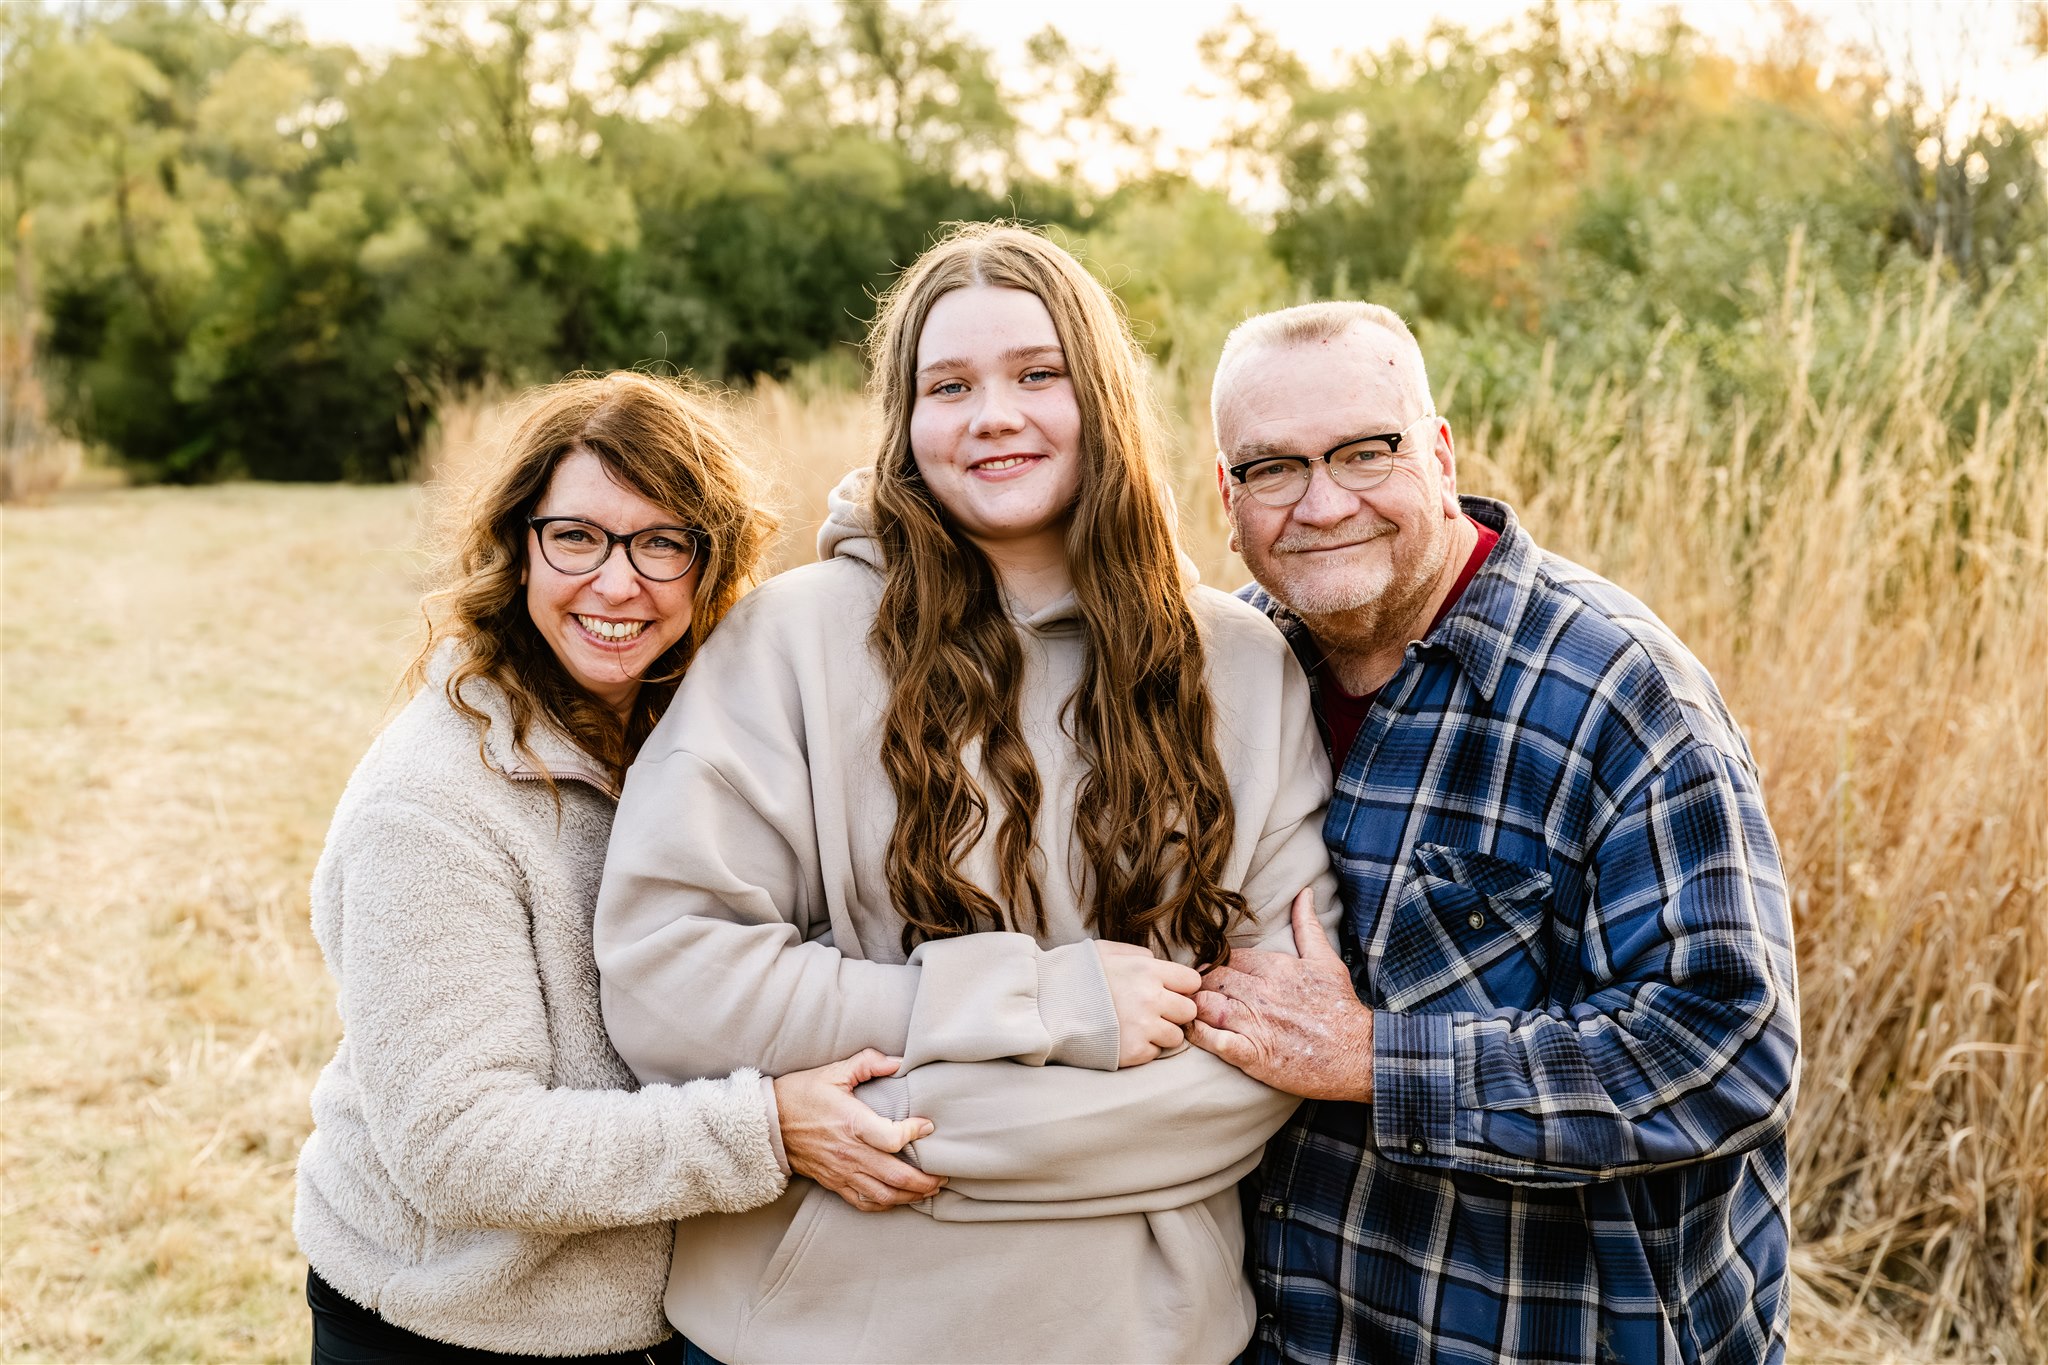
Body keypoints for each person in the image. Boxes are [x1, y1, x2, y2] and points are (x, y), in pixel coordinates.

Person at [593, 224, 1340, 1365]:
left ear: (1100, 398)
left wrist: (880, 1124)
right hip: (814, 1334)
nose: (994, 414)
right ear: (906, 425)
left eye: (1037, 374)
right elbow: (673, 989)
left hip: (1147, 1336)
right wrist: (1038, 1003)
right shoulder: (786, 643)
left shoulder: (1240, 666)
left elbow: (1262, 1050)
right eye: (950, 385)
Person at [1187, 301, 1801, 1365]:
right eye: (1272, 468)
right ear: (1225, 498)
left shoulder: (1616, 691)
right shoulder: (1223, 674)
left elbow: (1726, 1047)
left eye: (1363, 452)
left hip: (1546, 1332)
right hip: (1297, 1332)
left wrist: (1377, 1058)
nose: (1322, 503)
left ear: (1435, 453)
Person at [292, 372, 943, 1365]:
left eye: (659, 543)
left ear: (707, 562)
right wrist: (764, 1130)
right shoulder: (427, 807)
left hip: (658, 1324)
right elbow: (461, 1152)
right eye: (577, 537)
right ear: (519, 547)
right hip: (456, 1327)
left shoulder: (699, 738)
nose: (616, 582)